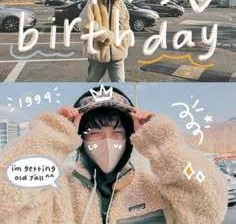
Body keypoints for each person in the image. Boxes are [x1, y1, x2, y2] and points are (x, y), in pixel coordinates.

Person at [0, 86, 227, 224]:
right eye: (95, 134)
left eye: (117, 132)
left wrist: (165, 144)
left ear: (130, 137)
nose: (108, 142)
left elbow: (210, 204)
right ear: (79, 139)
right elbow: (5, 204)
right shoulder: (55, 191)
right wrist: (50, 137)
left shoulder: (154, 183)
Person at [80, 0, 131, 82]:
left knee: (120, 84)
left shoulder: (121, 4)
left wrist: (124, 42)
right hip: (97, 54)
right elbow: (86, 25)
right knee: (92, 84)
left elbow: (126, 25)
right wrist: (107, 36)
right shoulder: (93, 2)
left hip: (118, 53)